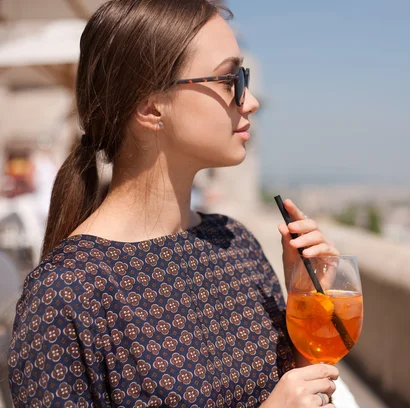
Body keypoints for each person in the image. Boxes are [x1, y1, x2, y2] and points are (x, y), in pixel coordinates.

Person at [7, 1, 343, 407]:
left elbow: (299, 386)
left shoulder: (235, 242)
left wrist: (304, 301)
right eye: (229, 79)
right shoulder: (63, 298)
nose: (249, 100)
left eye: (245, 77)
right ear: (150, 107)